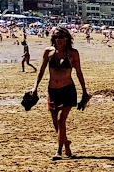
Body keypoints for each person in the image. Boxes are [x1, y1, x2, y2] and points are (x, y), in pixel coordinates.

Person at [33, 27, 87, 159]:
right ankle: (66, 142)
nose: (60, 39)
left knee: (61, 120)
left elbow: (79, 72)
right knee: (55, 123)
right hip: (52, 91)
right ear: (53, 39)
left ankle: (58, 151)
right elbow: (41, 71)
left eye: (62, 36)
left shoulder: (73, 53)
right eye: (57, 37)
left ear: (67, 38)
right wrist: (35, 88)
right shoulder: (48, 52)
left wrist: (84, 91)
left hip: (68, 90)